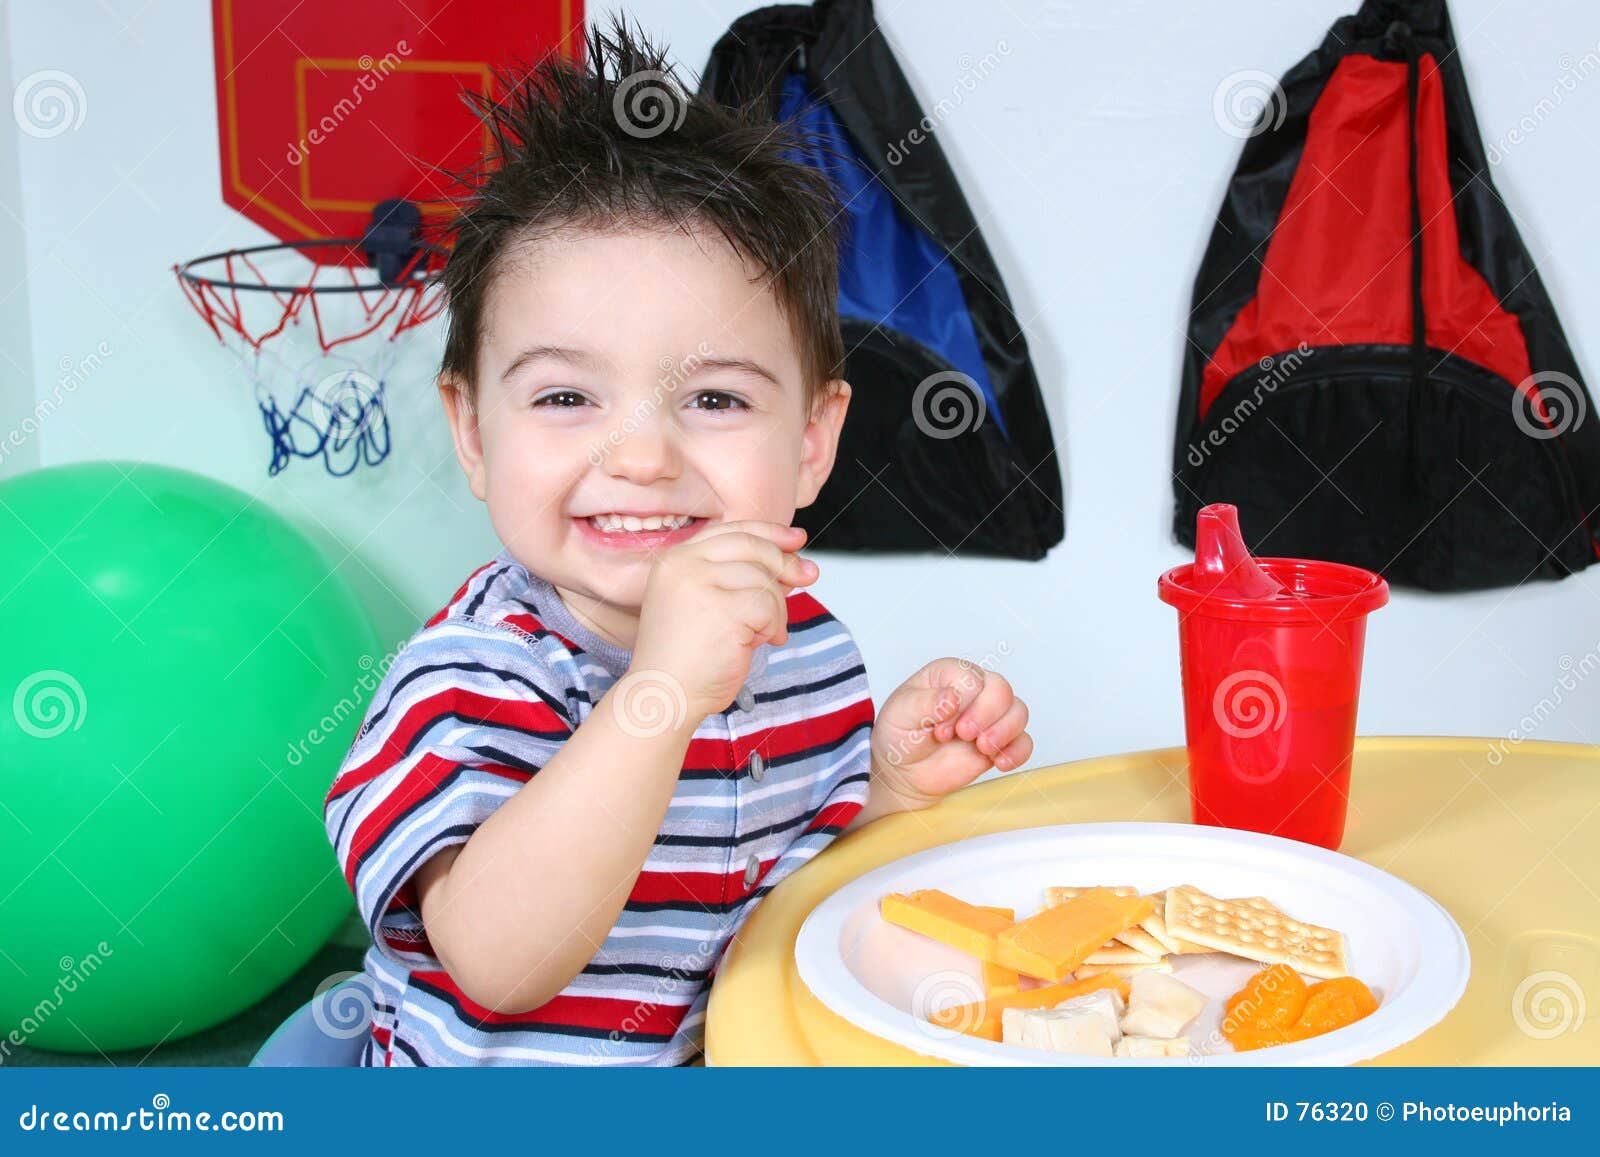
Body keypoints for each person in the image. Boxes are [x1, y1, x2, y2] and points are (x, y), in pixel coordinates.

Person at [324, 18, 1032, 1066]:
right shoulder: (466, 678)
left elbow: (793, 922)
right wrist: (658, 691)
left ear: (810, 439)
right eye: (566, 394)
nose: (643, 456)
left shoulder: (808, 651)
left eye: (712, 396)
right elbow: (495, 960)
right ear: (475, 434)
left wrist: (887, 795)